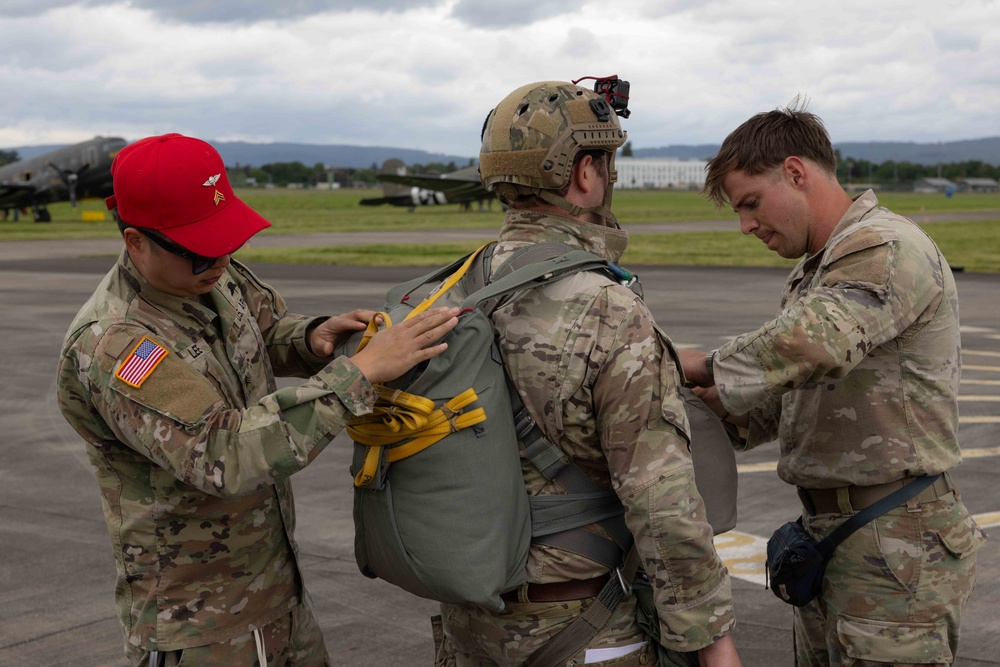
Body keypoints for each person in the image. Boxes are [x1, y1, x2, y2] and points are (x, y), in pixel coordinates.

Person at [55, 133, 459, 667]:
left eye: (229, 240)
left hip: (278, 595)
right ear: (136, 242)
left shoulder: (210, 278)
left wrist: (311, 336)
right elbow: (226, 454)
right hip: (201, 628)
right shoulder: (118, 345)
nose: (220, 258)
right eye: (201, 248)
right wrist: (358, 374)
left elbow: (261, 329)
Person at [431, 80, 740, 666]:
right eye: (605, 162)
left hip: (470, 627)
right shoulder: (606, 307)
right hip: (583, 629)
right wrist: (712, 640)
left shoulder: (449, 289)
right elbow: (661, 497)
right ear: (583, 173)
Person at [680, 104, 988, 666]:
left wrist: (702, 366)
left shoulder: (883, 248)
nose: (745, 225)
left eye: (750, 203)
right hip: (840, 536)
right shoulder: (821, 266)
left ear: (796, 174)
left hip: (894, 540)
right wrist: (704, 408)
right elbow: (798, 396)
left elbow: (811, 343)